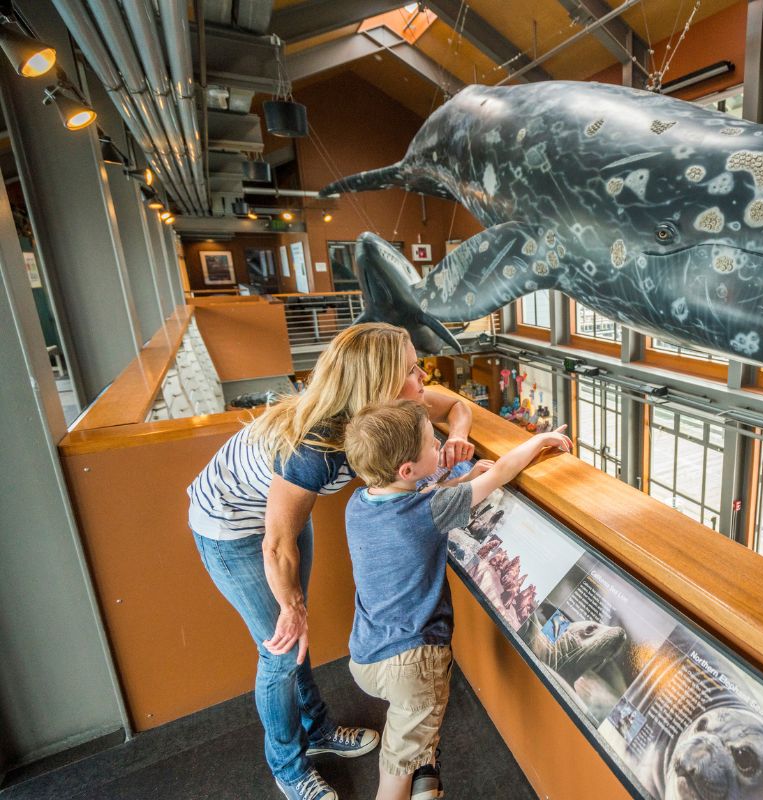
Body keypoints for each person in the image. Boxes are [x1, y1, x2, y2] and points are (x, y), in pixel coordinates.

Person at [187, 323, 475, 800]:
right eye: (410, 369)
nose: (422, 376)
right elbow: (276, 545)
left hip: (284, 516)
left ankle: (317, 730)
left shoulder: (391, 411)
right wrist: (291, 604)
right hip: (234, 527)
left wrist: (459, 437)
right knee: (281, 649)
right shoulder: (314, 446)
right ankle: (289, 767)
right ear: (379, 380)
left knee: (298, 640)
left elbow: (457, 404)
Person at [341, 401, 571, 800]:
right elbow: (502, 472)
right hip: (413, 663)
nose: (441, 448)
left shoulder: (358, 504)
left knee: (407, 731)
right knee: (397, 763)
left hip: (366, 654)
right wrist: (540, 441)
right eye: (433, 444)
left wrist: (454, 487)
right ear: (407, 470)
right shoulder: (429, 509)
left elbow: (410, 503)